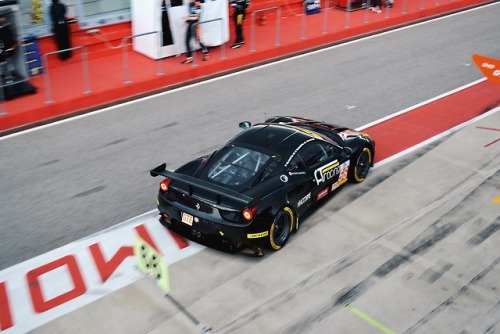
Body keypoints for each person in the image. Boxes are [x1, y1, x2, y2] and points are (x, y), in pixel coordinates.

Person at [182, 0, 209, 64]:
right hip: (190, 24)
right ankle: (189, 57)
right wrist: (188, 18)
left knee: (198, 40)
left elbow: (197, 17)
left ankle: (206, 53)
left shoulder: (199, 6)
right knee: (187, 40)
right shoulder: (190, 4)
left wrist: (188, 18)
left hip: (195, 25)